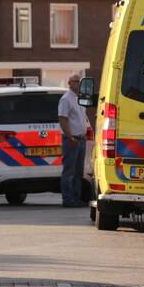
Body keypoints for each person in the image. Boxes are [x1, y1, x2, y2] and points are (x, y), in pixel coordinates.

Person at [58, 74, 90, 208]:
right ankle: (68, 199)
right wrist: (70, 137)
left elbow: (82, 118)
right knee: (69, 172)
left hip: (81, 139)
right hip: (72, 140)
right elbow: (62, 119)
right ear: (69, 83)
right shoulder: (66, 99)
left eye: (79, 82)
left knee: (78, 172)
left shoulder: (80, 98)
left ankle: (77, 199)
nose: (77, 84)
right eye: (74, 81)